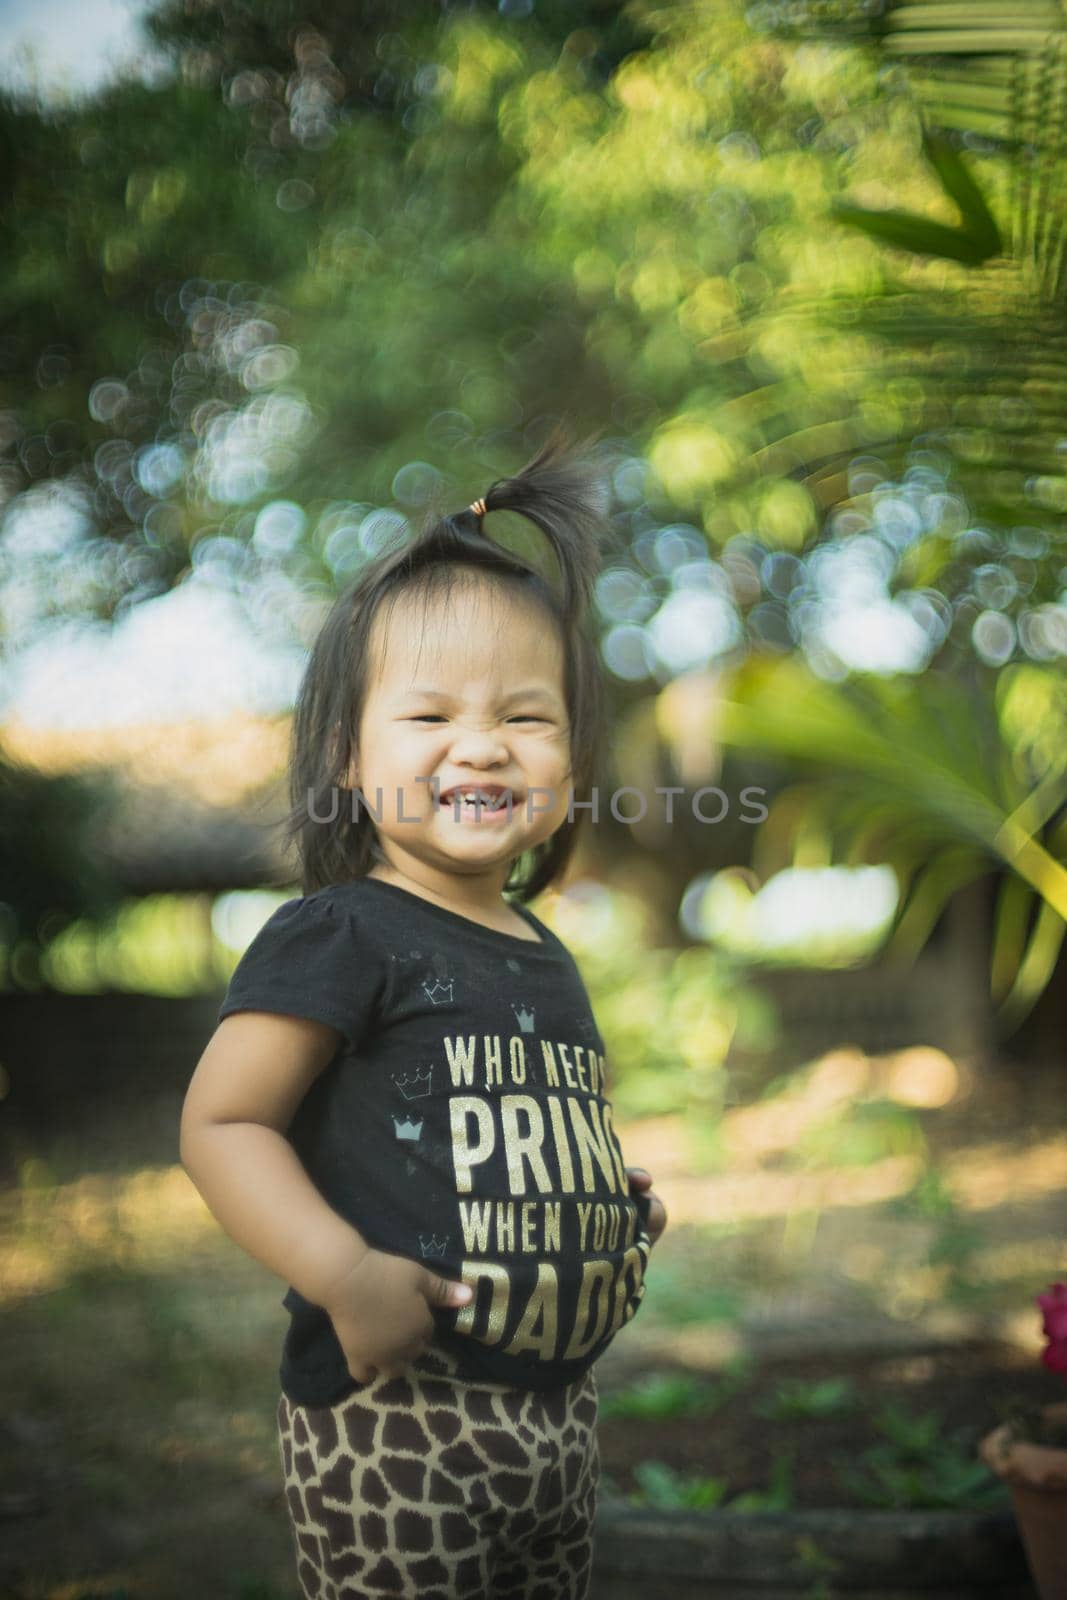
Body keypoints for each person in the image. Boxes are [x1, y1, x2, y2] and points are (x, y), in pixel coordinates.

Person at [180, 423, 668, 1600]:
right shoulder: (341, 933)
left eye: (525, 716)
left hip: (556, 1419)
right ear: (348, 757)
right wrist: (340, 1271)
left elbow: (531, 1118)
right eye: (429, 715)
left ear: (568, 757)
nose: (482, 744)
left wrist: (604, 1195)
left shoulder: (544, 950)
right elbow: (222, 1125)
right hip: (398, 1419)